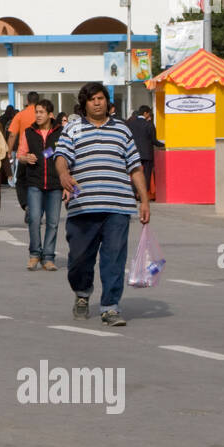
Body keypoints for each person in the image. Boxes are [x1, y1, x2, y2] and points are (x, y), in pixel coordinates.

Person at [55, 83, 151, 327]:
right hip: (83, 206)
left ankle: (110, 306)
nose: (97, 103)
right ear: (84, 103)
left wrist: (144, 200)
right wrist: (64, 175)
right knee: (79, 259)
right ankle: (82, 292)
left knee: (114, 259)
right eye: (92, 99)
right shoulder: (73, 128)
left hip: (117, 205)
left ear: (107, 102)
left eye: (101, 98)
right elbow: (61, 157)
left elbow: (135, 167)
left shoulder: (122, 130)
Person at [20, 99, 64, 271]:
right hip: (35, 182)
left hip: (55, 183)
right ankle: (34, 255)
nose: (38, 115)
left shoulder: (61, 132)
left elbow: (67, 154)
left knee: (53, 222)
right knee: (34, 219)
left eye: (41, 112)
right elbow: (21, 155)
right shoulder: (28, 132)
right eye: (36, 112)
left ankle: (48, 257)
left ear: (50, 115)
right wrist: (26, 158)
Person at [126, 105, 162, 193]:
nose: (149, 116)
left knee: (135, 173)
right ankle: (143, 194)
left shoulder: (130, 124)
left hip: (134, 153)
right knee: (146, 175)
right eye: (149, 114)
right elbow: (154, 141)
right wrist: (164, 144)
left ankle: (134, 192)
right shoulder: (149, 124)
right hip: (147, 154)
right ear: (145, 113)